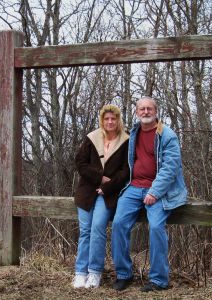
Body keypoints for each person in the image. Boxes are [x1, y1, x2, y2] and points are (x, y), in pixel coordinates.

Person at [111, 96, 187, 292]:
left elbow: (171, 168)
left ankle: (159, 280)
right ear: (137, 112)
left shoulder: (167, 135)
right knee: (118, 223)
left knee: (155, 227)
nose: (145, 112)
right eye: (142, 109)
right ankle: (123, 274)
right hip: (133, 187)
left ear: (156, 111)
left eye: (149, 109)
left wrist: (154, 191)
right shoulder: (133, 133)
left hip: (159, 191)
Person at [73, 104, 129, 289]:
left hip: (108, 195)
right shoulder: (92, 138)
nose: (110, 122)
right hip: (87, 192)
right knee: (85, 231)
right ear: (102, 120)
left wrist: (108, 186)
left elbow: (126, 171)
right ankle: (80, 273)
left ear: (118, 120)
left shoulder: (126, 140)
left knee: (97, 229)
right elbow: (80, 162)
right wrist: (99, 178)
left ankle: (95, 272)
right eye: (107, 119)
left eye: (113, 118)